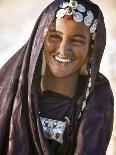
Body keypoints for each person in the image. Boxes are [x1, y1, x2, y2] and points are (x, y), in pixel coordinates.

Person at [0, 0, 114, 154]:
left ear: (91, 49)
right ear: (40, 40)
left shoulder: (97, 98)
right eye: (55, 37)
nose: (63, 49)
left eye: (77, 41)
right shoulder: (10, 92)